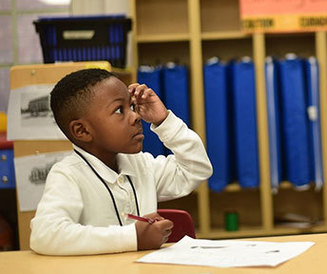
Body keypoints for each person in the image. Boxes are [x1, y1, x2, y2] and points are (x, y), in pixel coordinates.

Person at [30, 68, 213, 255]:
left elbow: (196, 170)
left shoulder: (139, 164)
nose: (136, 116)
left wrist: (164, 120)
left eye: (132, 107)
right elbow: (45, 235)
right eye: (119, 110)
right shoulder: (68, 175)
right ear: (82, 131)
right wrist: (133, 237)